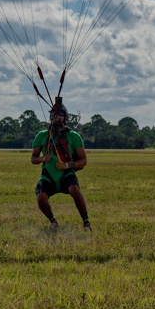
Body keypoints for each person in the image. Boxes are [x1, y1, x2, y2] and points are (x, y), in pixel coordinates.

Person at [31, 98, 91, 230]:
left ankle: (86, 222)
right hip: (48, 175)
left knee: (74, 190)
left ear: (65, 117)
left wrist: (67, 166)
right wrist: (43, 159)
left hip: (66, 173)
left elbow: (83, 160)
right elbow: (33, 159)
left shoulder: (73, 136)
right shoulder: (42, 135)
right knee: (41, 197)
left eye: (60, 116)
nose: (56, 118)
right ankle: (53, 221)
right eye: (53, 116)